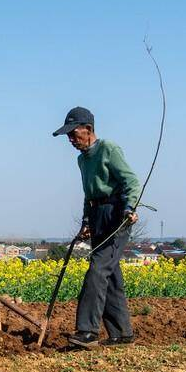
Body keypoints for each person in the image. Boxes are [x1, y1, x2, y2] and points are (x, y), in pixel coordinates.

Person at [52, 106, 140, 348]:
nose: (70, 139)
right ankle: (122, 334)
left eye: (73, 134)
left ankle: (87, 331)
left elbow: (131, 181)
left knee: (97, 270)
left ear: (88, 129)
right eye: (67, 136)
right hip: (97, 214)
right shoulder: (82, 160)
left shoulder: (108, 149)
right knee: (109, 275)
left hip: (116, 215)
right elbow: (88, 194)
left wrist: (129, 208)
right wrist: (86, 221)